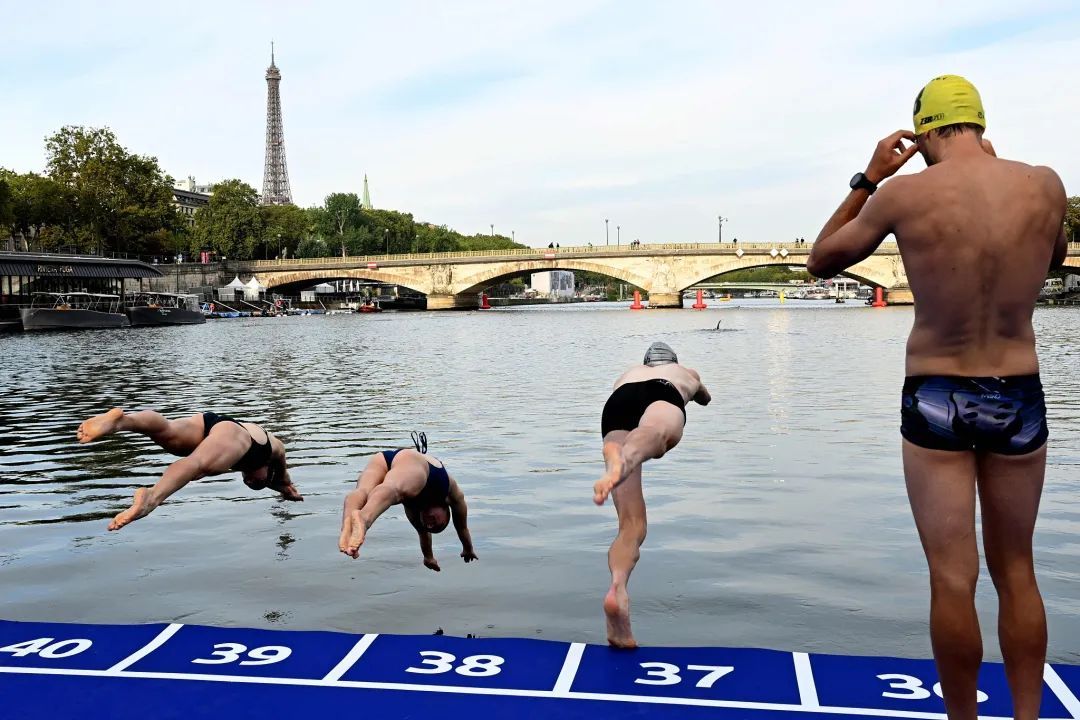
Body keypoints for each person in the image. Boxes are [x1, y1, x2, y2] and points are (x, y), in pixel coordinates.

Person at [806, 75, 1068, 720]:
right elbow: (1053, 256)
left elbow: (820, 260)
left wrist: (868, 179)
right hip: (1018, 390)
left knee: (953, 577)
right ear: (980, 123)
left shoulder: (902, 195)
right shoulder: (1045, 185)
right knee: (1018, 571)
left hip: (936, 391)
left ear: (922, 133)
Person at [593, 343, 712, 647]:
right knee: (658, 433)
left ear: (645, 362)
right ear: (674, 360)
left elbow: (622, 391)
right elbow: (705, 398)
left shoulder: (627, 374)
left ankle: (618, 586)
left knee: (631, 526)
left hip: (616, 404)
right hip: (662, 391)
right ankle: (627, 458)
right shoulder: (683, 372)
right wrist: (696, 389)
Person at [76, 408, 301, 531]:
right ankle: (152, 498)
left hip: (209, 423)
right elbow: (283, 475)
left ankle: (121, 422)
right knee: (197, 465)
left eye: (247, 482)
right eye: (257, 483)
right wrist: (284, 485)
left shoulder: (239, 455)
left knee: (167, 433)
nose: (249, 480)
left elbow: (280, 483)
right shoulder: (271, 451)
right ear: (269, 470)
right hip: (235, 434)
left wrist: (283, 490)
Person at [339, 432, 477, 571]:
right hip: (417, 463)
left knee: (363, 491)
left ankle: (348, 528)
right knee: (393, 489)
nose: (430, 524)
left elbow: (423, 534)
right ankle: (364, 519)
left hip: (384, 459)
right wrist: (468, 548)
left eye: (428, 526)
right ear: (446, 511)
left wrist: (428, 557)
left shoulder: (414, 511)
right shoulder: (452, 495)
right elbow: (461, 527)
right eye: (437, 524)